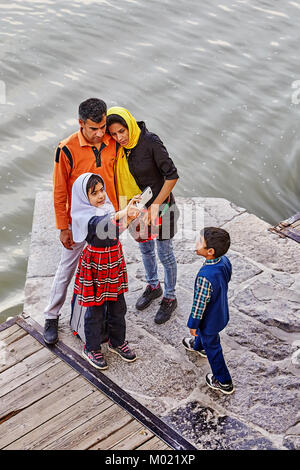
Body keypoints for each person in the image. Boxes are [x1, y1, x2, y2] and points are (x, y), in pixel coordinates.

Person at [43, 98, 119, 345]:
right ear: (80, 124)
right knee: (66, 268)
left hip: (107, 218)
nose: (99, 133)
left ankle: (103, 320)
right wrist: (63, 227)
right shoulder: (65, 148)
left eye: (102, 126)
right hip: (78, 223)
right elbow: (59, 191)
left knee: (107, 268)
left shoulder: (112, 140)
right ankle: (52, 316)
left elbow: (118, 178)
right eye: (93, 128)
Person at [106, 107, 179, 325]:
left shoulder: (150, 142)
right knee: (145, 249)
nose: (120, 137)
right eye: (115, 134)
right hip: (136, 209)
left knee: (165, 254)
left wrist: (156, 205)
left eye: (122, 131)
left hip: (162, 207)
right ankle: (153, 286)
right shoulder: (120, 149)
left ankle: (170, 296)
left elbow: (172, 175)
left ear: (129, 124)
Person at [71, 172, 140, 369]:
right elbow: (100, 225)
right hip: (96, 263)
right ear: (85, 198)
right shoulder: (85, 216)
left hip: (113, 259)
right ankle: (91, 348)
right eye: (94, 193)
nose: (101, 195)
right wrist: (124, 211)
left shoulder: (107, 208)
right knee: (95, 309)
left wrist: (128, 217)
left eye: (102, 190)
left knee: (119, 305)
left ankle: (116, 341)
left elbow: (115, 231)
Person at [182, 227, 234, 395]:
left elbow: (199, 306)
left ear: (210, 251)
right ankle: (198, 346)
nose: (196, 244)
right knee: (205, 338)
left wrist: (193, 324)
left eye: (199, 242)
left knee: (213, 346)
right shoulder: (224, 261)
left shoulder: (205, 276)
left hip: (209, 320)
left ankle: (224, 380)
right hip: (220, 311)